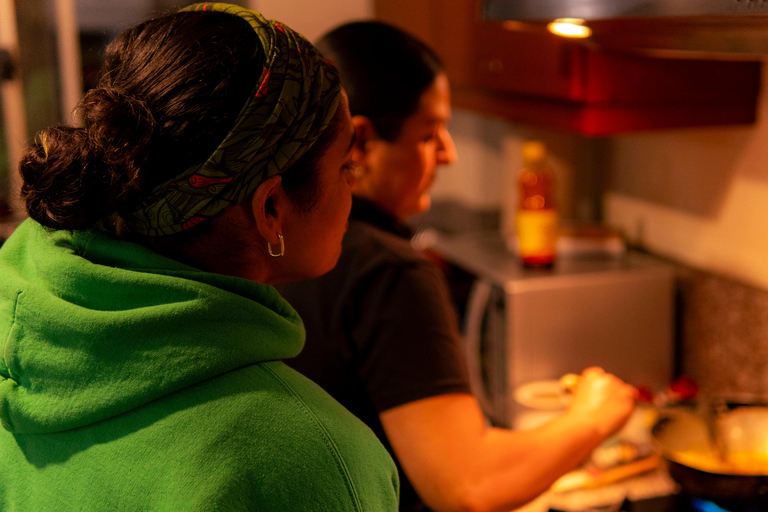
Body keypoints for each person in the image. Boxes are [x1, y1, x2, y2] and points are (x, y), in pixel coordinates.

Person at [0, 5, 399, 511]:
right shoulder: (308, 461)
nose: (353, 186)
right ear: (271, 207)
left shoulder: (17, 324)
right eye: (345, 166)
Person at [276, 21, 637, 512]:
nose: (449, 153)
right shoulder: (387, 269)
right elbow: (468, 486)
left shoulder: (284, 244)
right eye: (429, 134)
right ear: (359, 142)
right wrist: (592, 417)